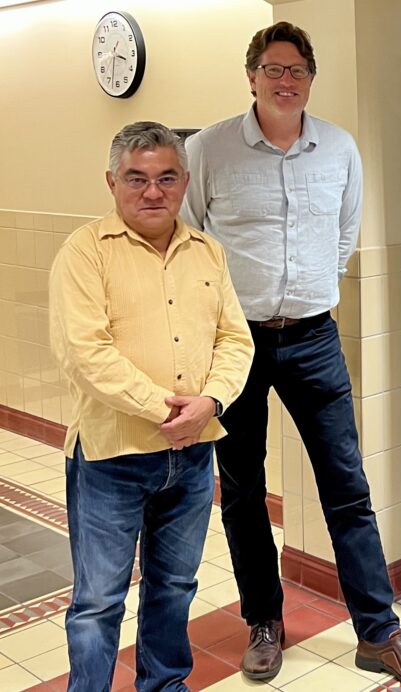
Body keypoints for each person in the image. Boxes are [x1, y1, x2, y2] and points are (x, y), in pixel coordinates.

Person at [180, 22, 401, 687]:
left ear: (309, 78)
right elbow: (188, 243)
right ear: (250, 75)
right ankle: (264, 623)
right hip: (234, 344)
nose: (285, 81)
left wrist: (304, 293)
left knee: (347, 487)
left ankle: (379, 634)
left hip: (313, 337)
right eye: (273, 69)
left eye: (297, 70)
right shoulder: (208, 149)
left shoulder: (339, 148)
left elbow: (344, 235)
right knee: (241, 489)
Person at [49, 121, 255, 691]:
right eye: (136, 179)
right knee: (97, 602)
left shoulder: (208, 252)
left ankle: (164, 685)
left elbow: (236, 340)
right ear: (112, 182)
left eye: (166, 178)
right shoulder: (84, 254)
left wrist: (210, 401)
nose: (153, 191)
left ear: (184, 181)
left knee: (174, 587)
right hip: (111, 460)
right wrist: (170, 413)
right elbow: (86, 355)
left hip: (191, 460)